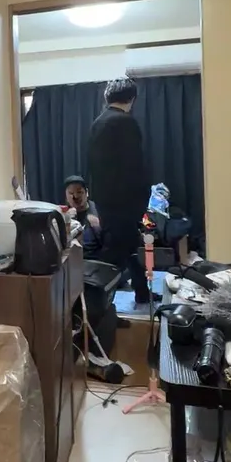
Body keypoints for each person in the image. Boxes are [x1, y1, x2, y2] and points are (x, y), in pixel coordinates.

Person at [86, 78, 151, 304]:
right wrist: (143, 199)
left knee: (129, 245)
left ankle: (142, 292)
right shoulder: (125, 123)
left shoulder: (98, 122)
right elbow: (134, 166)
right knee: (114, 253)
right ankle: (95, 300)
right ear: (131, 99)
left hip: (104, 199)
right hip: (125, 200)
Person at [63, 175, 101, 257]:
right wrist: (66, 222)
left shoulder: (98, 211)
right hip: (71, 259)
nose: (75, 197)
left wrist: (98, 229)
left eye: (79, 192)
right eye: (71, 193)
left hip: (93, 259)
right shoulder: (63, 214)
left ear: (86, 193)